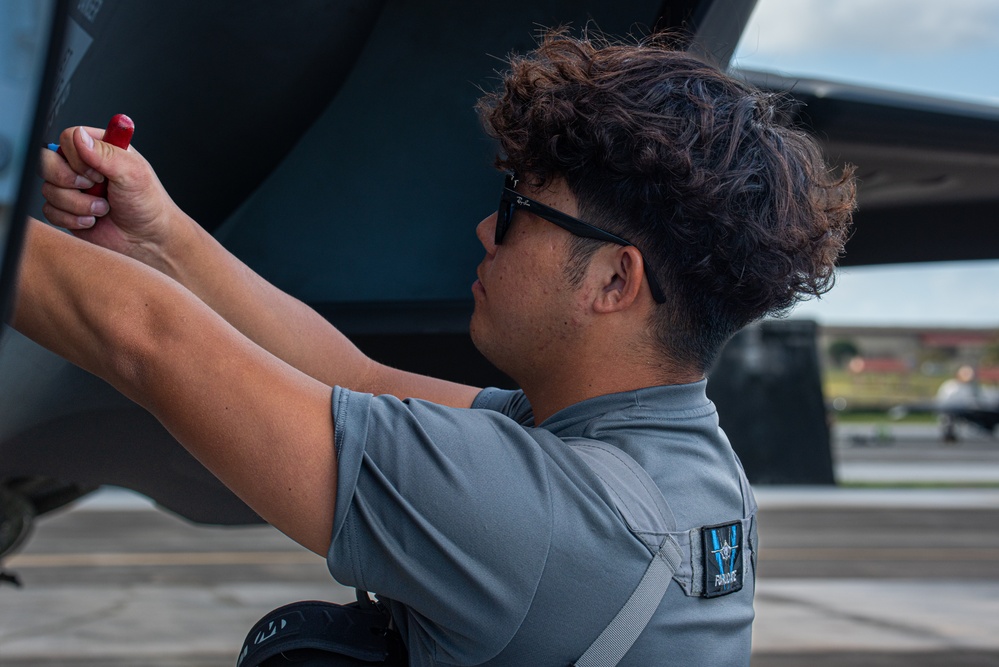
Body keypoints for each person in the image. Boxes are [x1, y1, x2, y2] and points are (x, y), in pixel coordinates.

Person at [14, 31, 855, 665]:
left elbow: (145, 339)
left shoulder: (547, 521)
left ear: (612, 280)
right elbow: (355, 378)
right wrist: (163, 237)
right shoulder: (671, 464)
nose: (488, 228)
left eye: (522, 209)